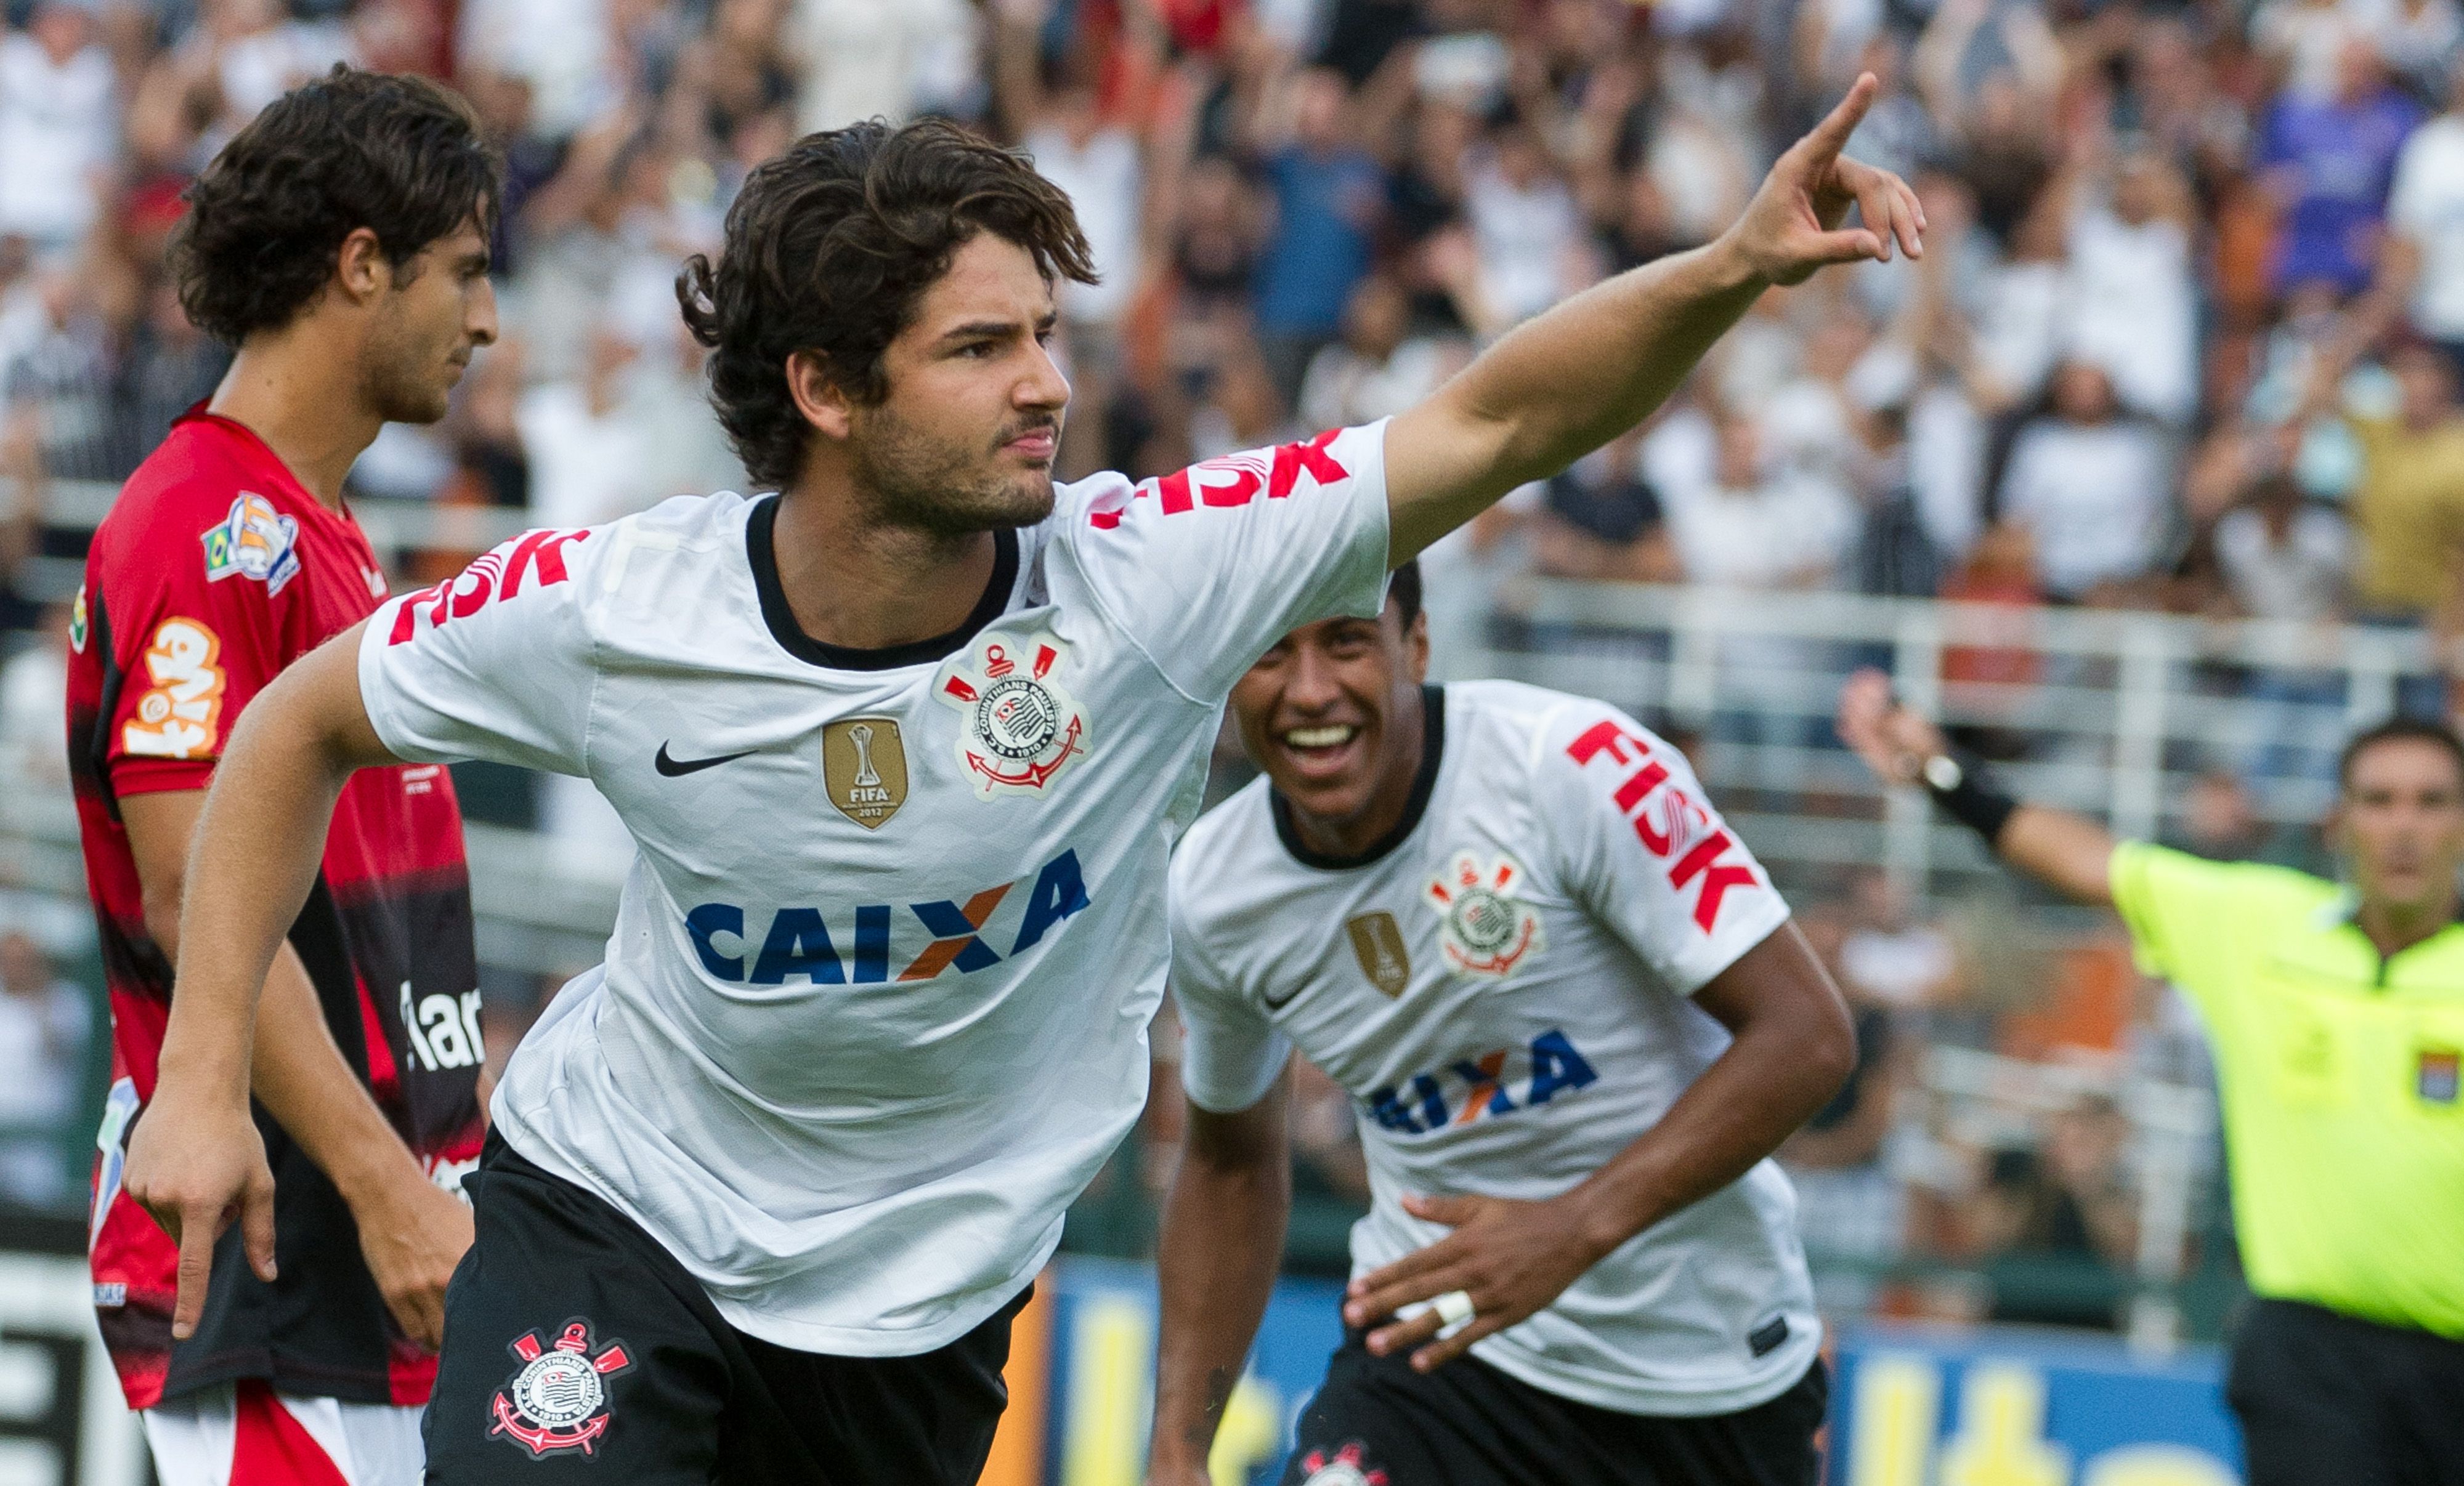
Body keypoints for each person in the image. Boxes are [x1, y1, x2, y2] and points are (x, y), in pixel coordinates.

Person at [124, 80, 1921, 1484]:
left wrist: (1725, 270)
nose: (1048, 387)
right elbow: (287, 729)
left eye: (1046, 335)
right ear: (826, 388)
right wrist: (201, 1079)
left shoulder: (1151, 576)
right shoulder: (617, 606)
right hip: (620, 1212)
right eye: (981, 349)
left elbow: (1499, 419)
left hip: (916, 1309)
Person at [1148, 565, 1854, 1486]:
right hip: (1436, 1359)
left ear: (1417, 646)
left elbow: (1807, 1035)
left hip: (1706, 1377)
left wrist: (1572, 1229)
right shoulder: (1214, 891)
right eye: (1271, 653)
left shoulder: (1574, 764)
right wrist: (1177, 1448)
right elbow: (1229, 1165)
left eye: (1347, 641)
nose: (1311, 691)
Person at [64, 68, 499, 1486]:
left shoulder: (311, 532)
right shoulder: (208, 529)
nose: (487, 320)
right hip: (268, 1263)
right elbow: (192, 892)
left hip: (354, 1265)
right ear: (362, 264)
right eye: (465, 270)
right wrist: (384, 1188)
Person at [1834, 670, 2464, 1486]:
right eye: (2380, 801)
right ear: (2338, 822)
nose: (2405, 826)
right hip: (2312, 1356)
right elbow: (2089, 863)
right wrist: (1942, 769)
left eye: (2432, 801)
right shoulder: (2260, 925)